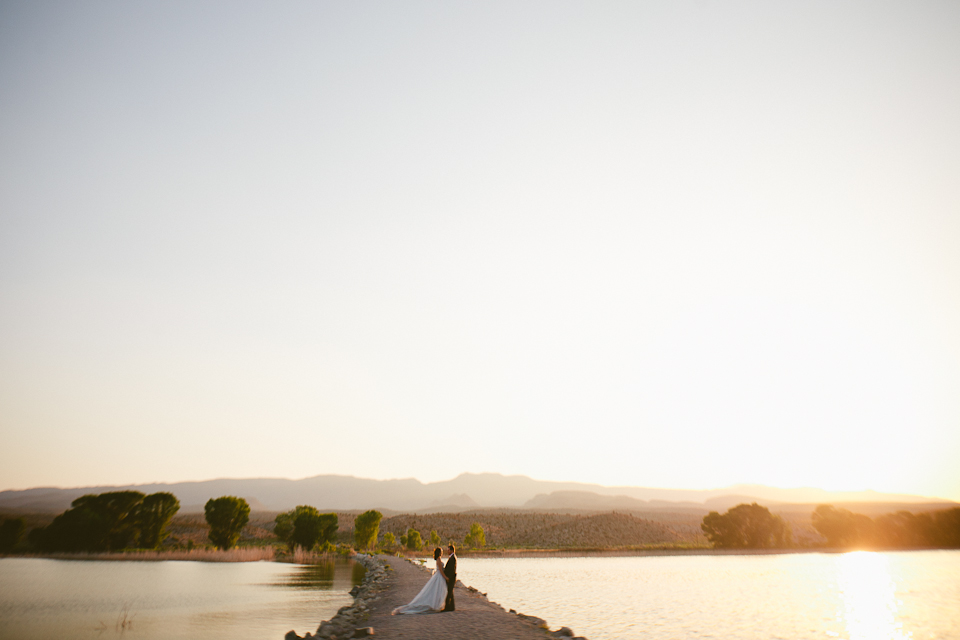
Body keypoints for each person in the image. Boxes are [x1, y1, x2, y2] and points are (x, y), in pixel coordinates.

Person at [391, 547, 448, 614]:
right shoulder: (438, 559)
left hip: (438, 576)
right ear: (439, 552)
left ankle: (437, 604)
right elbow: (441, 570)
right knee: (436, 591)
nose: (442, 552)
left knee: (437, 591)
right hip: (439, 576)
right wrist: (446, 577)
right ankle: (436, 604)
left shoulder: (438, 559)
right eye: (441, 551)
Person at [442, 543, 457, 612]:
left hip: (451, 578)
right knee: (450, 592)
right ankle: (452, 607)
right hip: (451, 577)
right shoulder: (452, 557)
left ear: (451, 550)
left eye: (448, 550)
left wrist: (448, 577)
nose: (447, 551)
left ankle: (447, 607)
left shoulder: (453, 558)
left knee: (449, 592)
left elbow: (451, 569)